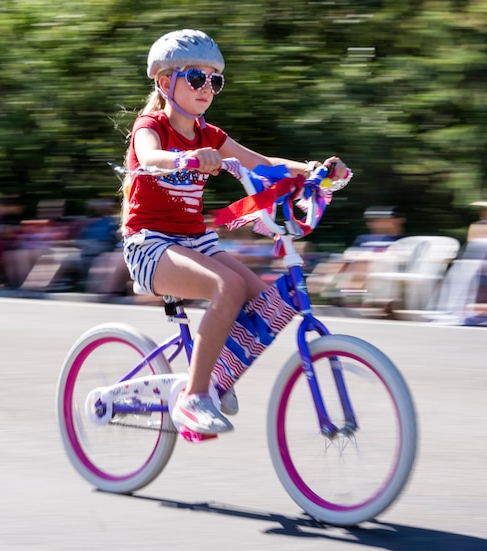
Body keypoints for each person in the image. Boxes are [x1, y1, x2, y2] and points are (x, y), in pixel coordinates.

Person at [120, 29, 349, 438]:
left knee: (265, 303)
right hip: (150, 244)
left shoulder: (211, 135)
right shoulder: (151, 124)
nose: (207, 88)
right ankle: (194, 398)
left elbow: (262, 164)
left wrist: (312, 169)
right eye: (196, 78)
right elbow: (150, 156)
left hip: (195, 241)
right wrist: (187, 158)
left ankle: (212, 374)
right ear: (164, 82)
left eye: (215, 80)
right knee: (226, 285)